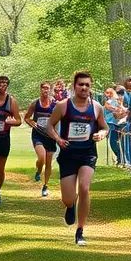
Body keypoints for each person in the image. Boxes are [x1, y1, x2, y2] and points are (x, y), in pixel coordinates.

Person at [50, 71, 109, 246]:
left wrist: (101, 134)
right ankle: (70, 205)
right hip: (68, 154)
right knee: (68, 198)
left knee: (84, 187)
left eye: (87, 85)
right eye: (80, 84)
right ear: (74, 86)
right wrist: (58, 139)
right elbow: (49, 126)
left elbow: (105, 127)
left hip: (87, 154)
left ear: (91, 87)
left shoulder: (96, 106)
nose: (84, 88)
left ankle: (80, 230)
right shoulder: (63, 106)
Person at [25, 82, 58, 197]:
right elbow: (26, 117)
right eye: (43, 88)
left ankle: (45, 186)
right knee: (41, 157)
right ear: (40, 90)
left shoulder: (55, 105)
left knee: (48, 163)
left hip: (50, 136)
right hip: (38, 135)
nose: (45, 90)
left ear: (50, 90)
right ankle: (39, 171)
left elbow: (59, 119)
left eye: (47, 88)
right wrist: (32, 122)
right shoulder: (35, 104)